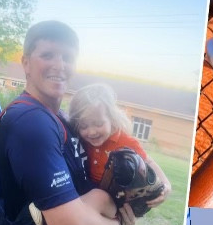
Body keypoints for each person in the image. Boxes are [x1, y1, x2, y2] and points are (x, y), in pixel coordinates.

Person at [0, 20, 125, 225]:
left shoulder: (57, 117)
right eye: (47, 55)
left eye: (68, 57)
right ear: (26, 62)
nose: (59, 65)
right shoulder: (32, 123)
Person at [65, 82, 171, 216]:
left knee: (97, 197)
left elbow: (148, 162)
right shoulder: (81, 141)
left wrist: (166, 185)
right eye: (84, 126)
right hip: (88, 193)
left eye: (98, 124)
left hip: (113, 201)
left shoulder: (125, 142)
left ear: (112, 118)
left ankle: (64, 216)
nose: (91, 132)